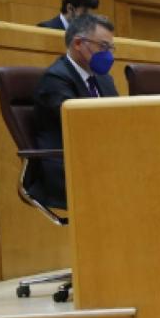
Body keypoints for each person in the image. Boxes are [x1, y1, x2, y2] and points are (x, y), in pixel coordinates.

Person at [32, 13, 118, 209]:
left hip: (99, 160)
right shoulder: (55, 79)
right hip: (67, 166)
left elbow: (117, 119)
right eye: (103, 47)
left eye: (111, 48)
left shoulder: (104, 79)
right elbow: (81, 127)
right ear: (78, 43)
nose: (108, 55)